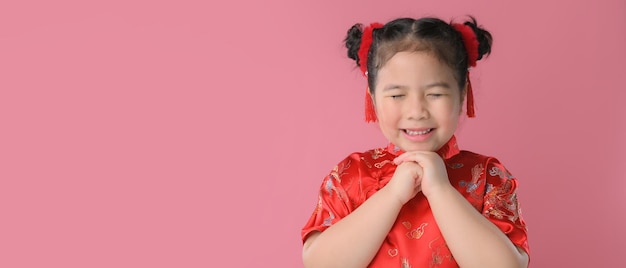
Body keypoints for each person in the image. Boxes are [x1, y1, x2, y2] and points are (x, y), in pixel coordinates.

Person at [300, 16, 530, 268]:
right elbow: (319, 263)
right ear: (373, 97)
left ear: (462, 92)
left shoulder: (487, 177)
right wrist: (393, 195)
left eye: (435, 94)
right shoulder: (351, 175)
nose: (416, 111)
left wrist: (441, 190)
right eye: (397, 95)